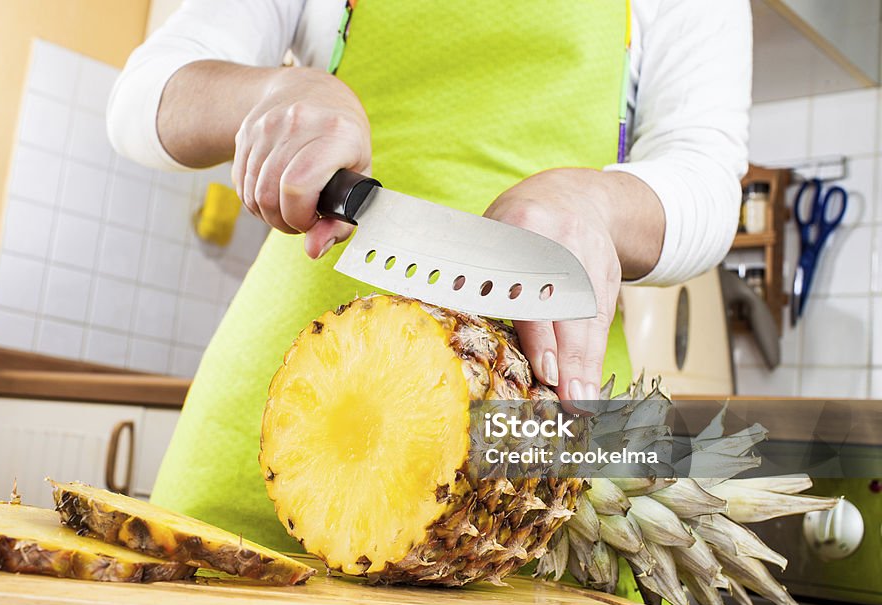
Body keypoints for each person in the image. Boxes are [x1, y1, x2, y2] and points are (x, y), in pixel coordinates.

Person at [108, 0, 751, 551]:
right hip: (283, 410)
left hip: (533, 416)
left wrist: (597, 203)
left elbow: (707, 176)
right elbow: (143, 94)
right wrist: (272, 94)